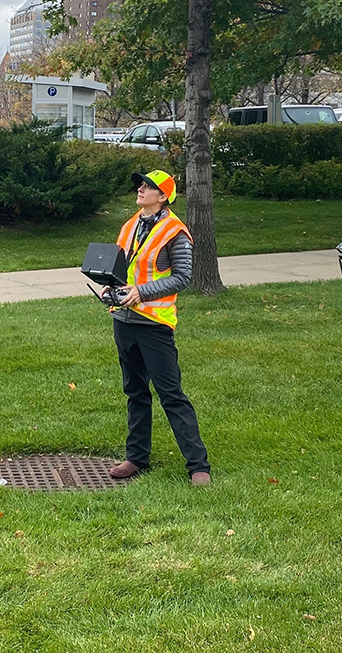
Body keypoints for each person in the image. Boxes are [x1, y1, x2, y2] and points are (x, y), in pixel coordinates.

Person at [104, 169, 212, 487]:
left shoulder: (174, 232)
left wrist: (141, 293)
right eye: (140, 184)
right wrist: (108, 286)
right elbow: (121, 266)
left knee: (171, 395)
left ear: (163, 196)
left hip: (154, 324)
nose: (140, 188)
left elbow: (182, 277)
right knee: (135, 391)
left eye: (148, 186)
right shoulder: (131, 224)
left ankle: (198, 466)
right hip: (122, 320)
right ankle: (137, 457)